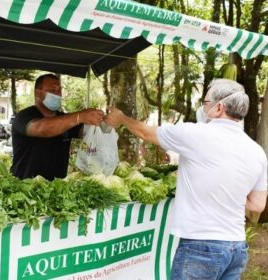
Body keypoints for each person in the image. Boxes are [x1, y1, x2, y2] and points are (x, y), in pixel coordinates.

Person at [105, 78, 267, 279]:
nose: (203, 108)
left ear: (219, 108)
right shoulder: (257, 152)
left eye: (205, 103)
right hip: (236, 247)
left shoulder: (197, 134)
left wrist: (121, 119)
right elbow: (257, 205)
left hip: (201, 247)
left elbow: (145, 133)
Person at [10, 74, 104, 181]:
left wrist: (99, 121)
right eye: (52, 90)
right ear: (38, 93)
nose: (58, 94)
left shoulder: (66, 119)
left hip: (56, 189)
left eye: (59, 90)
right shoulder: (24, 116)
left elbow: (85, 133)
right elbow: (41, 129)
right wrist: (80, 116)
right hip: (25, 187)